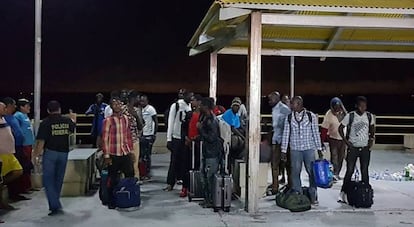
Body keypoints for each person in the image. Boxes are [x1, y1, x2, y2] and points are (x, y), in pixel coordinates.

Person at [33, 100, 76, 216]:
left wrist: (35, 156)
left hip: (50, 153)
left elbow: (41, 141)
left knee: (48, 180)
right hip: (64, 153)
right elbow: (72, 129)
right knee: (58, 179)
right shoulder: (66, 120)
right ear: (59, 109)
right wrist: (73, 119)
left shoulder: (45, 123)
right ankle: (55, 203)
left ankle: (54, 205)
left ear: (48, 110)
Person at [281, 96, 323, 206]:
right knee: (295, 172)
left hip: (308, 149)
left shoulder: (311, 116)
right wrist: (283, 151)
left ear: (299, 104)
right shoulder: (289, 117)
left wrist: (319, 149)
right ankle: (298, 196)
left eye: (293, 103)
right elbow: (286, 134)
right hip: (295, 149)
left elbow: (315, 132)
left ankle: (313, 196)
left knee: (311, 172)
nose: (291, 105)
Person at [338, 96, 375, 203]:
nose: (363, 108)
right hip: (353, 148)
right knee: (349, 171)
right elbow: (340, 128)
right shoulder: (350, 116)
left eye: (365, 106)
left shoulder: (369, 116)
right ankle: (343, 193)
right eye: (361, 106)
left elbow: (372, 128)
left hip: (365, 148)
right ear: (356, 106)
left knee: (365, 171)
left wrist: (371, 139)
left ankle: (366, 193)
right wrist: (346, 142)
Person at [102, 97, 135, 209]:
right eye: (114, 104)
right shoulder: (108, 121)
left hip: (125, 152)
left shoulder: (126, 118)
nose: (117, 106)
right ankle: (112, 201)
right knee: (113, 179)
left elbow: (128, 136)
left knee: (130, 175)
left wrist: (131, 152)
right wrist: (106, 156)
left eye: (119, 104)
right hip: (113, 153)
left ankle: (129, 198)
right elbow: (105, 139)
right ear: (111, 106)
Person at [164, 90, 192, 193]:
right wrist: (169, 139)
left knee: (184, 161)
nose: (191, 97)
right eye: (189, 95)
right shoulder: (176, 106)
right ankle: (170, 183)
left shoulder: (190, 107)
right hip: (176, 137)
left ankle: (181, 181)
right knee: (174, 161)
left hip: (185, 138)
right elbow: (170, 122)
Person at [3, 97, 29, 201]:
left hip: (18, 146)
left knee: (22, 168)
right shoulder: (6, 118)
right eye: (13, 105)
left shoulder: (11, 117)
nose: (15, 107)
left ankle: (18, 191)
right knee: (15, 171)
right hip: (10, 149)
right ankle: (13, 193)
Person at [198, 97, 221, 208]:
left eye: (201, 105)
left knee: (210, 178)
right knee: (204, 177)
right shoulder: (206, 118)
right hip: (207, 152)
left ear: (205, 107)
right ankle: (207, 199)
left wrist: (201, 129)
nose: (199, 107)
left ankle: (212, 200)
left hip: (212, 154)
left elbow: (212, 138)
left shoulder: (212, 120)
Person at [0, 101, 23, 211]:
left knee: (18, 170)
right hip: (2, 154)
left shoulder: (4, 118)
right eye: (3, 108)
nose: (5, 109)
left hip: (9, 152)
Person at [267, 91, 291, 195]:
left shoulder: (284, 110)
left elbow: (288, 127)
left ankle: (290, 185)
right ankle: (275, 186)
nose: (269, 101)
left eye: (271, 99)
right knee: (275, 165)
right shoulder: (275, 109)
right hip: (276, 140)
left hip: (283, 141)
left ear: (277, 99)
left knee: (287, 164)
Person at [321, 97, 347, 181]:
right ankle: (334, 173)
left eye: (338, 106)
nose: (337, 108)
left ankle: (337, 173)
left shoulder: (344, 113)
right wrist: (321, 141)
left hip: (343, 139)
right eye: (335, 106)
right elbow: (324, 129)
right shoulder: (329, 114)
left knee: (341, 157)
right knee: (334, 157)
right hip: (333, 138)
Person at [14, 98, 36, 193]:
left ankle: (29, 185)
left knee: (28, 165)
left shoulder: (25, 115)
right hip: (23, 145)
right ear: (21, 107)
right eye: (27, 106)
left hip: (29, 143)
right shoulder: (18, 116)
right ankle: (24, 187)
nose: (29, 107)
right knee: (25, 165)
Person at [122, 91, 144, 180]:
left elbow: (140, 126)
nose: (139, 100)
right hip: (124, 140)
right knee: (126, 163)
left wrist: (136, 116)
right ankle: (125, 184)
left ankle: (135, 184)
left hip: (135, 140)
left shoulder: (137, 110)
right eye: (137, 98)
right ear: (132, 98)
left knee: (135, 163)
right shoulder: (123, 109)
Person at [140, 94, 158, 179]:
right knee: (142, 155)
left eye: (143, 101)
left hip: (149, 135)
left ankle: (147, 172)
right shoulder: (140, 109)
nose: (142, 102)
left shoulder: (151, 109)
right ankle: (142, 172)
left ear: (147, 101)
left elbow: (156, 121)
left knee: (147, 155)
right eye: (141, 101)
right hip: (142, 135)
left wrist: (154, 134)